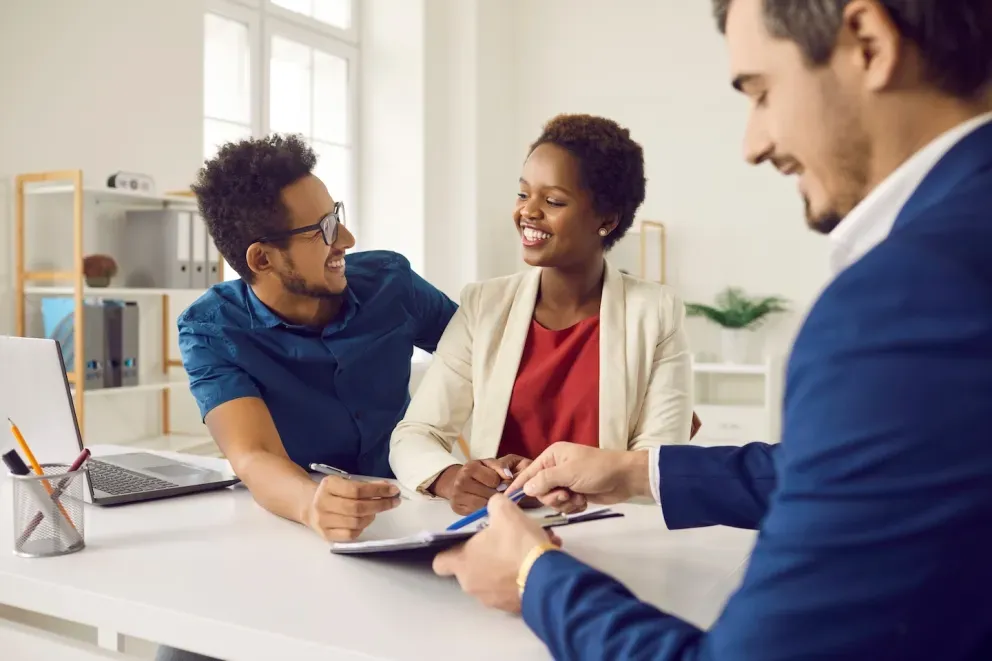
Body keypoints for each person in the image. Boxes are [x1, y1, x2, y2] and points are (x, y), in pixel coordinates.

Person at [432, 1, 992, 659]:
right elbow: (867, 473)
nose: (753, 144)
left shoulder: (904, 298)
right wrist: (635, 472)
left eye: (760, 92)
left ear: (868, 42)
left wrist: (533, 576)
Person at [389, 114, 697, 514]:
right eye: (522, 195)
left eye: (552, 201)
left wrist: (567, 484)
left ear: (607, 219)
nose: (527, 212)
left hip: (610, 535)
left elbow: (658, 461)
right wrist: (450, 478)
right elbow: (416, 434)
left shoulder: (656, 312)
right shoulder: (484, 305)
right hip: (499, 531)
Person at [177, 135, 457, 543]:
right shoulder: (212, 329)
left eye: (336, 216)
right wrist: (312, 504)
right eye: (323, 229)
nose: (346, 239)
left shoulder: (391, 282)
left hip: (419, 504)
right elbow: (254, 455)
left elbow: (486, 360)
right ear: (263, 259)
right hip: (302, 527)